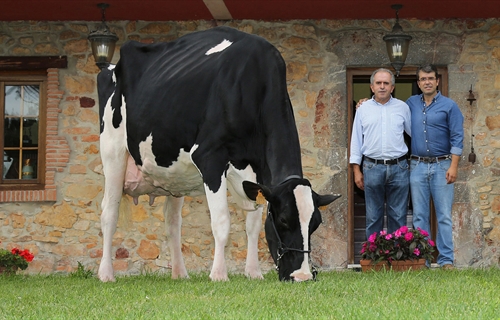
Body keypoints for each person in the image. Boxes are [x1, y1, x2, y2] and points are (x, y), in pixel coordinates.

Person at [407, 64, 464, 270]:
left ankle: (446, 259)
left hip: (443, 166)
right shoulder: (410, 103)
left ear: (437, 81)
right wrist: (363, 104)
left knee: (444, 215)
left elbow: (458, 137)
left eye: (430, 78)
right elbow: (389, 111)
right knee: (420, 216)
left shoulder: (450, 106)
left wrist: (454, 166)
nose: (427, 82)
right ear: (418, 83)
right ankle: (424, 259)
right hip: (417, 165)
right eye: (423, 79)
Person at [350, 68, 411, 239]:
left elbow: (415, 134)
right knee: (373, 216)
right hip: (371, 167)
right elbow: (356, 140)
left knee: (398, 216)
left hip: (399, 166)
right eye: (378, 83)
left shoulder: (403, 107)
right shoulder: (363, 109)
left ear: (392, 87)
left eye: (386, 83)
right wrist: (356, 170)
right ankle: (374, 259)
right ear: (372, 87)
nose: (382, 87)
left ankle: (398, 258)